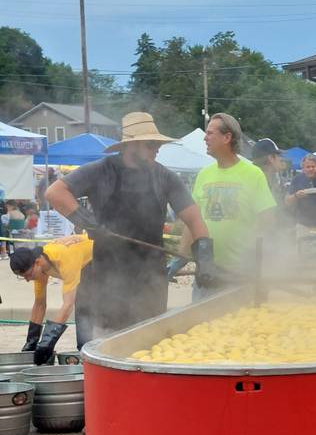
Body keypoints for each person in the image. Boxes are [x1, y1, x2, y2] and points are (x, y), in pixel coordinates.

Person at [45, 112, 214, 338]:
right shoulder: (100, 171)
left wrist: (205, 256)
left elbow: (195, 219)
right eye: (151, 144)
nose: (157, 149)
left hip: (151, 278)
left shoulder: (165, 177)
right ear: (131, 146)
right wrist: (89, 223)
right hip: (108, 278)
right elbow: (54, 192)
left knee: (150, 342)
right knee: (109, 343)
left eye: (158, 144)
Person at [190, 113, 276, 298]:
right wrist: (178, 259)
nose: (205, 138)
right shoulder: (203, 175)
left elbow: (268, 221)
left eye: (210, 133)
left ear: (227, 137)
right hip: (205, 272)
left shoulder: (253, 174)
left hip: (239, 274)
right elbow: (192, 221)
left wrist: (253, 259)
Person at [11, 235, 94, 363]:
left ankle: (86, 351)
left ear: (37, 262)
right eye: (23, 277)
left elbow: (68, 305)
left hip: (99, 259)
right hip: (82, 265)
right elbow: (39, 304)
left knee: (84, 305)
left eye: (28, 275)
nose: (27, 280)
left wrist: (47, 342)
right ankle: (84, 350)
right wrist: (31, 343)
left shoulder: (64, 258)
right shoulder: (40, 267)